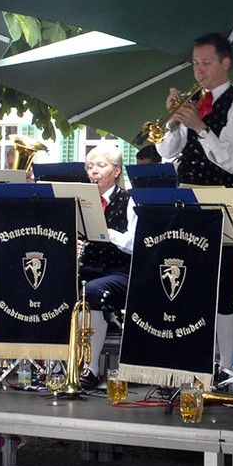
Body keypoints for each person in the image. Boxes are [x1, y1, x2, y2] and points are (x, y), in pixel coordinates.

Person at [156, 32, 233, 371]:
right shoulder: (192, 101)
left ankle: (225, 365)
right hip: (187, 198)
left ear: (225, 63)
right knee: (186, 281)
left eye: (206, 63)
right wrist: (173, 123)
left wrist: (200, 126)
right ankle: (191, 360)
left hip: (222, 200)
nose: (199, 71)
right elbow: (166, 151)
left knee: (222, 287)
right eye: (195, 64)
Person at [78, 144, 137, 387]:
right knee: (55, 284)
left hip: (119, 271)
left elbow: (134, 243)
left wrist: (107, 233)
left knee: (92, 292)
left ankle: (90, 369)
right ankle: (57, 364)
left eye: (101, 166)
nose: (94, 171)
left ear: (116, 171)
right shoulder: (82, 201)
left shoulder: (129, 200)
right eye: (90, 166)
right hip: (88, 268)